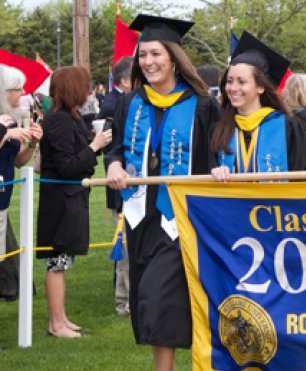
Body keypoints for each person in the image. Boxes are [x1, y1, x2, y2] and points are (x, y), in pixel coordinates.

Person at [105, 14, 220, 371]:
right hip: (140, 216)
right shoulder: (131, 102)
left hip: (180, 216)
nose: (148, 62)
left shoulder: (202, 105)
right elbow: (117, 148)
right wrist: (113, 165)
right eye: (143, 55)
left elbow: (214, 153)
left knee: (158, 296)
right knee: (149, 302)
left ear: (173, 57)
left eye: (155, 54)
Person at [36, 66, 112, 338]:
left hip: (71, 200)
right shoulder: (59, 120)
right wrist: (95, 146)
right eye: (84, 85)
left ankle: (62, 319)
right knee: (56, 262)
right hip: (60, 202)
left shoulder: (70, 117)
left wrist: (91, 141)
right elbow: (67, 166)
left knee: (63, 261)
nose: (88, 90)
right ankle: (56, 324)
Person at [211, 31, 306, 181]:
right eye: (230, 81)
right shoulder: (219, 129)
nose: (233, 88)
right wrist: (213, 174)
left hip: (277, 204)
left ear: (260, 87)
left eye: (242, 81)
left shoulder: (288, 126)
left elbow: (305, 181)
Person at [0, 66, 42, 301]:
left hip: (3, 198)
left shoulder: (11, 120)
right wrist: (5, 135)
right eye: (18, 89)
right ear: (4, 92)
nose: (23, 92)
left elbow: (18, 161)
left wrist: (33, 143)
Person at [98, 56, 133, 317]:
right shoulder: (114, 104)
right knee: (125, 246)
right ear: (125, 80)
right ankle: (124, 301)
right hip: (121, 183)